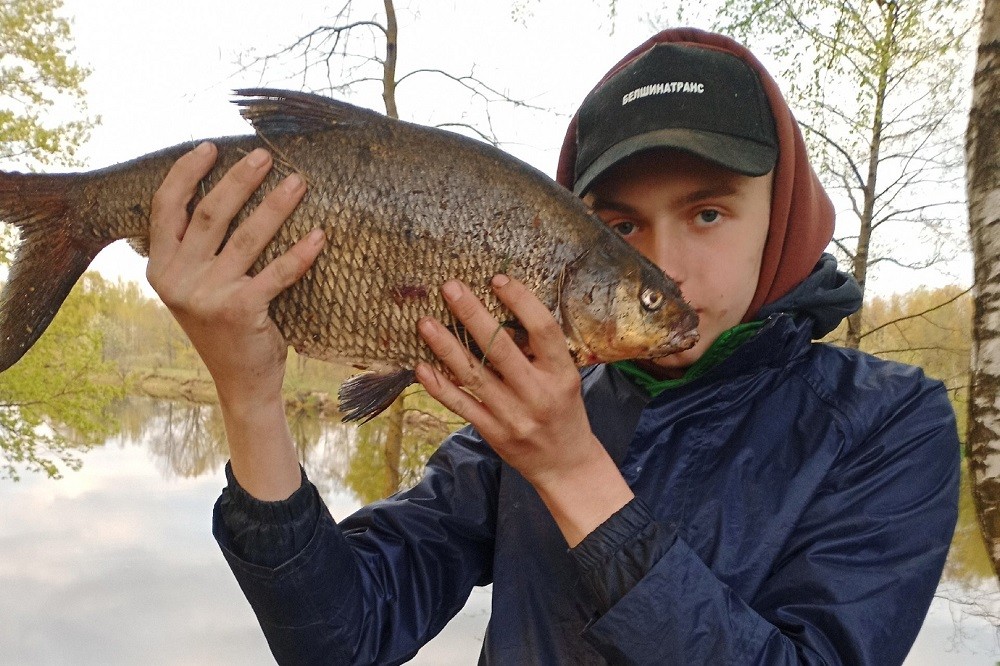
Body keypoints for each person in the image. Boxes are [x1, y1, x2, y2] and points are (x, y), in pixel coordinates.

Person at [147, 28, 960, 665]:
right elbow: (340, 636)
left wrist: (573, 473)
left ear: (781, 218)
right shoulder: (532, 407)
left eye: (708, 214)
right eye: (619, 227)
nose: (665, 265)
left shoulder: (889, 422)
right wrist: (250, 398)